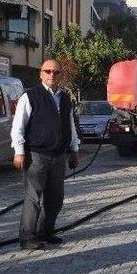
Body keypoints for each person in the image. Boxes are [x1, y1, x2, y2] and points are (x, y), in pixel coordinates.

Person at [11, 59, 80, 250]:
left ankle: (45, 231)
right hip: (37, 156)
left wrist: (74, 149)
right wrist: (19, 151)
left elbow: (70, 126)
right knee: (33, 198)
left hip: (59, 156)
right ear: (40, 74)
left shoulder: (65, 98)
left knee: (56, 199)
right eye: (47, 71)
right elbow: (18, 126)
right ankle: (27, 237)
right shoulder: (30, 96)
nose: (52, 75)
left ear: (61, 75)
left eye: (56, 72)